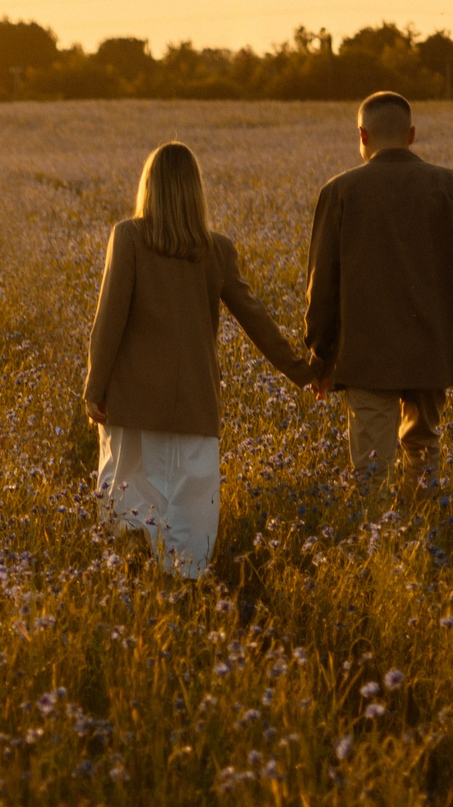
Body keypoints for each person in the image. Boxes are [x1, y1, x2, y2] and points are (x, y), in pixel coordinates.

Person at [84, 141, 316, 578]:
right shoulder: (216, 249)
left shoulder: (128, 237)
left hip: (132, 400)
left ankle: (132, 583)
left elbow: (108, 320)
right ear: (196, 190)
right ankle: (185, 587)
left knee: (127, 503)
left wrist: (94, 388)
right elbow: (256, 318)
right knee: (190, 513)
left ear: (149, 187)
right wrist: (302, 372)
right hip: (194, 402)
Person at [304, 91, 453, 474]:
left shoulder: (340, 191)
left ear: (363, 135)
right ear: (412, 134)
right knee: (423, 448)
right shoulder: (451, 186)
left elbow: (322, 285)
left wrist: (320, 355)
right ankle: (425, 509)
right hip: (432, 350)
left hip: (366, 355)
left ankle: (377, 516)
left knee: (371, 467)